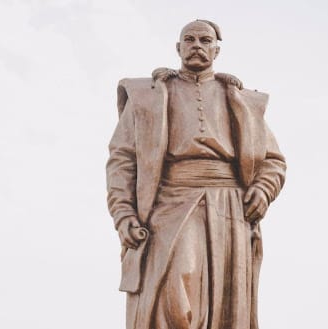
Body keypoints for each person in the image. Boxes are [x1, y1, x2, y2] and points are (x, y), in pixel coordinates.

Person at [106, 19, 286, 329]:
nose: (197, 46)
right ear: (179, 48)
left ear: (217, 50)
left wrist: (264, 187)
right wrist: (124, 214)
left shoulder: (242, 101)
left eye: (205, 40)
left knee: (227, 306)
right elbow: (122, 159)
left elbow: (273, 160)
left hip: (231, 208)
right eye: (189, 40)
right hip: (170, 203)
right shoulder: (148, 96)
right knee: (175, 291)